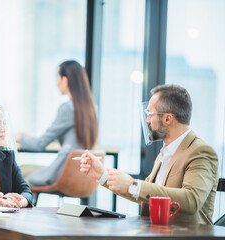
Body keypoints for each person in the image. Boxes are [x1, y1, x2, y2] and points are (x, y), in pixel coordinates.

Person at [80, 84, 218, 225]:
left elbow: (191, 200)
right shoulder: (165, 153)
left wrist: (133, 185)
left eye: (150, 114)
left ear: (168, 119)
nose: (147, 120)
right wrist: (102, 175)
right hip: (156, 232)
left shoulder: (200, 152)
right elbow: (146, 193)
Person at [17, 60, 98, 186]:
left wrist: (20, 138)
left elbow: (40, 144)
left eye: (57, 78)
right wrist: (32, 138)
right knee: (25, 174)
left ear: (65, 80)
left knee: (20, 171)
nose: (57, 83)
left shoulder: (67, 108)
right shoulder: (92, 109)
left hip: (62, 173)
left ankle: (20, 204)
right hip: (81, 175)